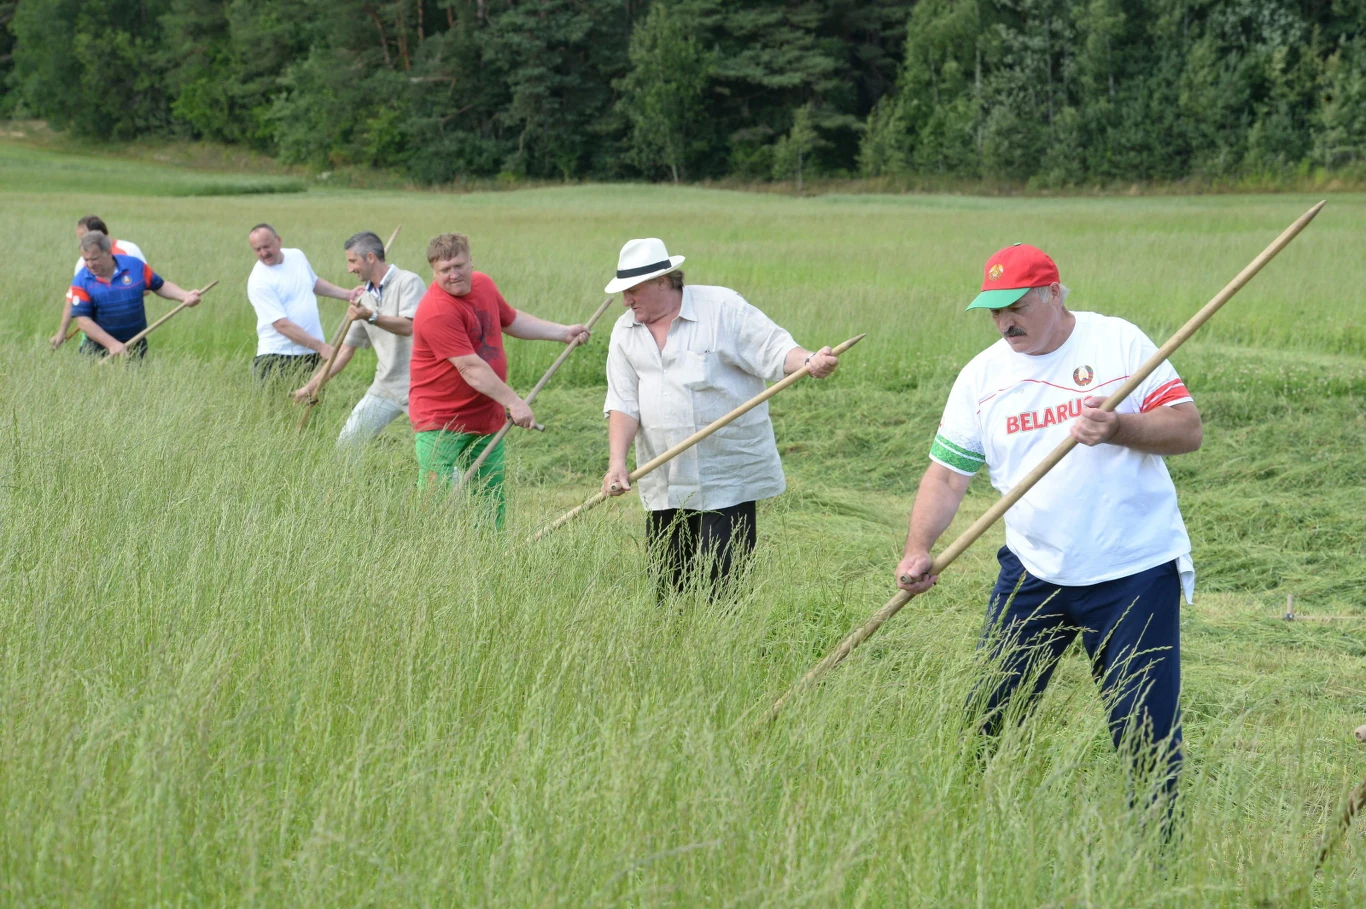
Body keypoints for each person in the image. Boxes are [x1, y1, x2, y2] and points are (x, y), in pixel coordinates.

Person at [894, 243, 1201, 821]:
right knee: (988, 711)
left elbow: (1186, 429)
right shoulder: (982, 377)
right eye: (994, 310)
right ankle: (963, 823)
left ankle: (1156, 859)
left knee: (1145, 730)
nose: (1005, 321)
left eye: (1017, 305)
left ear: (1055, 294)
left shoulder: (1119, 344)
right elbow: (946, 475)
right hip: (1034, 569)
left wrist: (1119, 427)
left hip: (1132, 571)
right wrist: (918, 549)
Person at [600, 238, 840, 599]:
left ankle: (722, 646)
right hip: (664, 476)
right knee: (666, 583)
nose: (627, 300)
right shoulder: (625, 331)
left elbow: (775, 349)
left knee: (723, 582)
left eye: (633, 290)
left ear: (663, 280)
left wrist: (809, 361)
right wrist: (616, 462)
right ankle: (672, 645)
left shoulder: (722, 308)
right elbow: (623, 402)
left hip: (726, 474)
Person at [409, 232, 590, 527]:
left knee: (491, 497)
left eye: (459, 265)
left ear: (471, 262)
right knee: (436, 497)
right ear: (433, 272)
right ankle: (430, 557)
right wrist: (514, 402)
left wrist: (562, 332)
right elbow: (470, 368)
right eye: (444, 270)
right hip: (440, 420)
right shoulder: (435, 311)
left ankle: (492, 555)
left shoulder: (483, 284)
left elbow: (510, 319)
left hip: (485, 414)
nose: (453, 275)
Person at [291, 231, 425, 444]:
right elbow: (345, 351)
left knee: (435, 452)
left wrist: (371, 316)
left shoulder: (408, 282)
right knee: (347, 443)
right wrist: (312, 386)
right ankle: (349, 480)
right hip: (385, 386)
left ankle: (464, 479)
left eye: (353, 261)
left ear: (370, 257)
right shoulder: (364, 298)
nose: (349, 268)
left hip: (420, 387)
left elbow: (409, 326)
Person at [246, 223, 360, 383]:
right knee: (277, 407)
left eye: (267, 246)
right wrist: (321, 347)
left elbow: (312, 282)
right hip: (277, 358)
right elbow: (280, 325)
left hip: (310, 355)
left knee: (314, 404)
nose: (264, 253)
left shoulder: (296, 256)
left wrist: (348, 294)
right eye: (257, 249)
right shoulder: (259, 280)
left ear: (278, 240)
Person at [67, 231, 203, 359]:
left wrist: (184, 296)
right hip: (98, 350)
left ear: (108, 252)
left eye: (94, 259)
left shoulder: (134, 266)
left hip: (136, 345)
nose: (90, 264)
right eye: (86, 259)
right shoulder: (81, 281)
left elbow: (160, 286)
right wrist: (112, 344)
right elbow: (83, 322)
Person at [52, 215, 146, 350]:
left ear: (100, 235)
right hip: (94, 330)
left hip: (128, 331)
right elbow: (73, 298)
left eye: (85, 238)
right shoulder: (83, 263)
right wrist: (62, 332)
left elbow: (146, 287)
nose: (82, 243)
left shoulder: (129, 251)